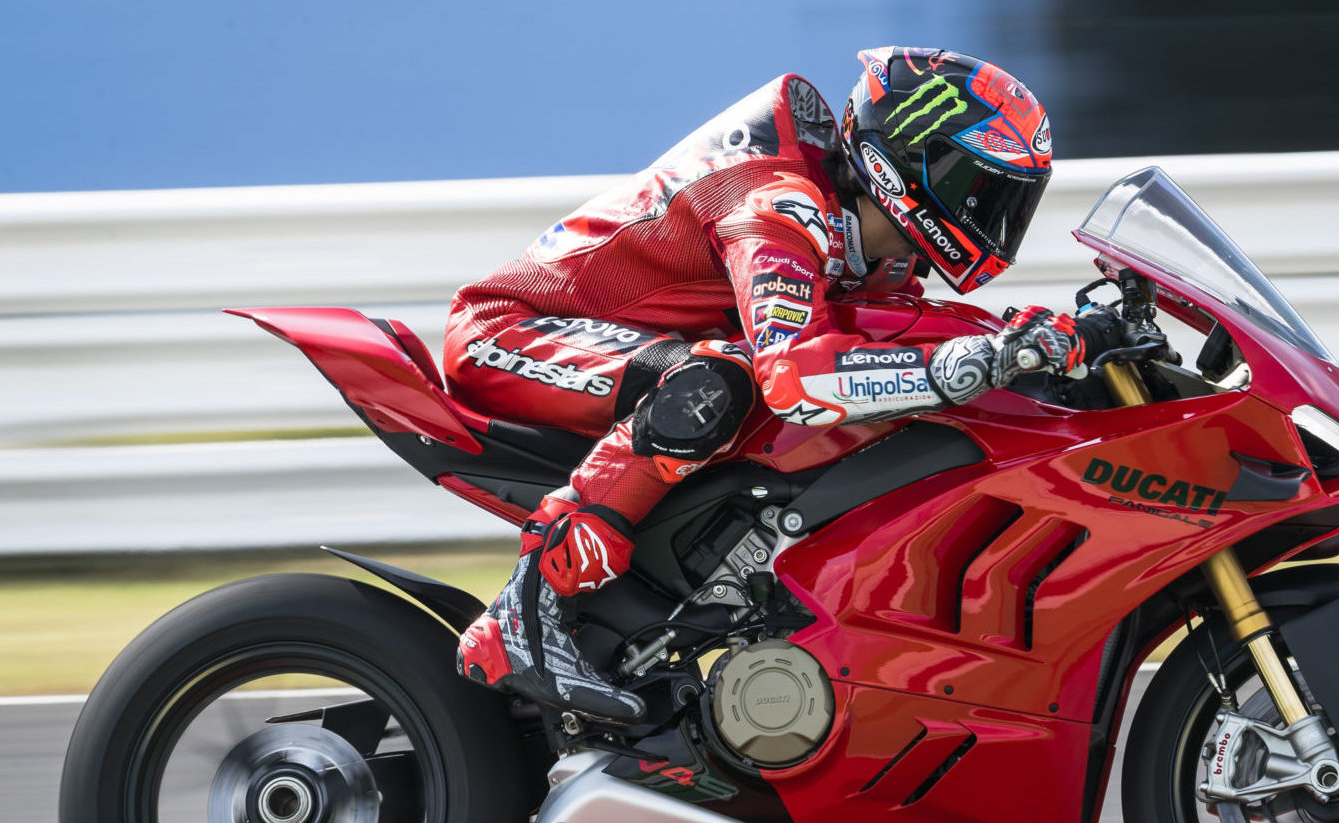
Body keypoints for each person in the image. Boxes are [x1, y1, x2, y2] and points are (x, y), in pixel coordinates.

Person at [449, 47, 1114, 723]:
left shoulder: (873, 244)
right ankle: (525, 610)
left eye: (1008, 195)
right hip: (511, 331)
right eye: (978, 183)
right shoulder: (780, 202)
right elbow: (796, 380)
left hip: (628, 351)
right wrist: (993, 358)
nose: (992, 209)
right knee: (717, 383)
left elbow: (900, 342)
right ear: (906, 162)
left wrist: (1036, 346)